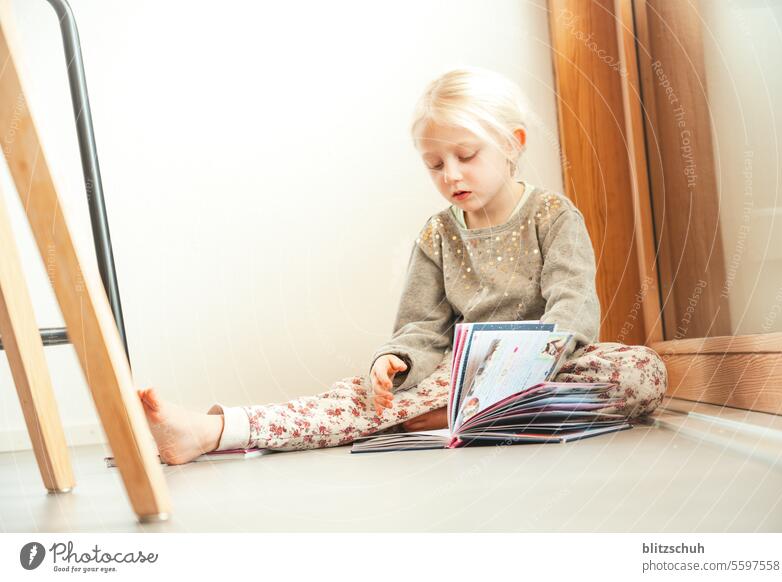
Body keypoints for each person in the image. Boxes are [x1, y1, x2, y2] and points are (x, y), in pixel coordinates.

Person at [138, 67, 666, 465]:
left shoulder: (552, 216)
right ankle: (216, 430)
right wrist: (394, 362)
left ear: (512, 144)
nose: (450, 174)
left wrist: (531, 360)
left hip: (542, 368)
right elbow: (421, 328)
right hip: (458, 376)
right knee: (361, 396)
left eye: (466, 155)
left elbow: (573, 308)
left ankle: (439, 417)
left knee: (640, 371)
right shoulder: (438, 235)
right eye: (435, 164)